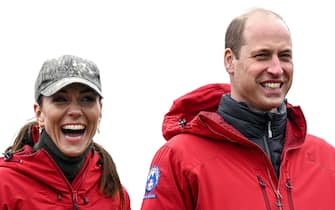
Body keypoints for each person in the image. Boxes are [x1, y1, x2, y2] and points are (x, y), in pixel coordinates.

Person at [140, 8, 335, 210]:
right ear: (230, 61)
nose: (277, 69)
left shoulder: (328, 160)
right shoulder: (180, 158)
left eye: (285, 56)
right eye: (262, 55)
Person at [0, 55, 131, 210]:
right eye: (61, 99)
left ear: (100, 110)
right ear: (39, 113)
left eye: (87, 99)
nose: (75, 111)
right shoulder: (5, 185)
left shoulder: (114, 193)